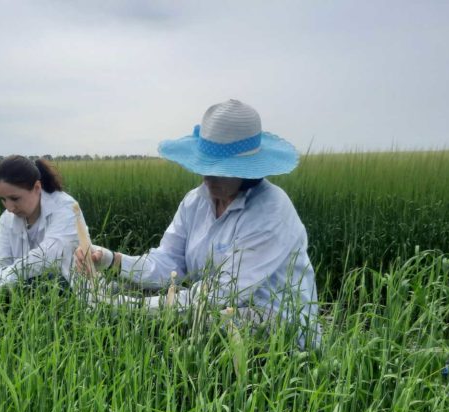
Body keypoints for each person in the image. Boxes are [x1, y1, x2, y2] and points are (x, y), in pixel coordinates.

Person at [75, 99, 320, 347]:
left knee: (193, 323)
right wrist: (111, 260)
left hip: (275, 325)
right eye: (204, 166)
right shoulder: (196, 201)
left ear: (248, 170)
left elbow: (222, 294)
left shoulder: (271, 211)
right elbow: (166, 263)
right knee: (127, 294)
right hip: (216, 308)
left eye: (220, 169)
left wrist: (128, 306)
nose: (208, 176)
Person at [0, 155, 81, 290]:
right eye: (3, 199)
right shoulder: (7, 219)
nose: (9, 208)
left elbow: (45, 260)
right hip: (25, 288)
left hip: (69, 289)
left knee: (49, 282)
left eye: (15, 198)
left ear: (37, 188)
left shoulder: (66, 208)